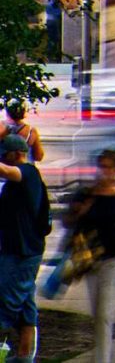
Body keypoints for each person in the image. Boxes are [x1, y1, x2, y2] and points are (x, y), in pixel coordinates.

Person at [65, 148, 115, 363]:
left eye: (109, 168)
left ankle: (103, 359)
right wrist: (84, 207)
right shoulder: (86, 193)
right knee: (98, 313)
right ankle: (104, 355)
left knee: (106, 313)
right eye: (101, 167)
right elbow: (69, 222)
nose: (103, 172)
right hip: (90, 259)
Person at [0, 134, 48, 363]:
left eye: (5, 155)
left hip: (23, 251)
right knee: (25, 305)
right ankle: (24, 357)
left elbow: (8, 172)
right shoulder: (12, 186)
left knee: (6, 301)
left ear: (17, 154)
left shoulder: (28, 172)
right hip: (15, 250)